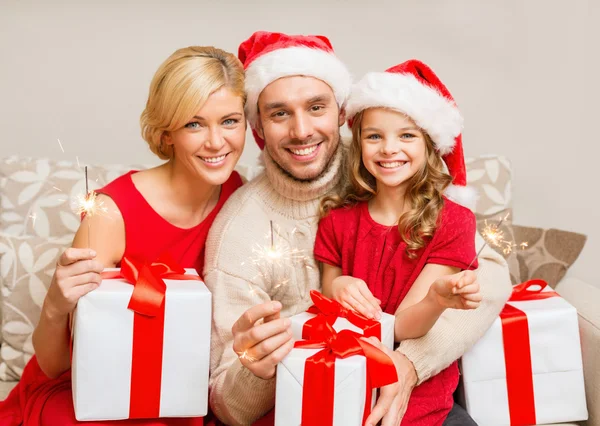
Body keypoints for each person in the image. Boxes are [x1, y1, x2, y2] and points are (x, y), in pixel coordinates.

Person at [204, 31, 512, 426]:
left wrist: (410, 364)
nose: (301, 131)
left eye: (316, 107)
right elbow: (229, 406)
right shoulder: (240, 230)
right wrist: (258, 364)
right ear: (258, 126)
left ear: (340, 111)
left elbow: (491, 273)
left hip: (416, 390)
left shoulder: (385, 166)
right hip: (309, 405)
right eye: (279, 113)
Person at [0, 46, 246, 426]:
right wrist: (53, 304)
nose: (216, 142)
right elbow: (53, 366)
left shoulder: (238, 194)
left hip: (174, 386)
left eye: (229, 121)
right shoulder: (112, 213)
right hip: (87, 389)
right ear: (167, 134)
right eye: (194, 124)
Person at [316, 59, 482, 425]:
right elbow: (329, 294)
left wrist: (438, 300)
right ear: (358, 144)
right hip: (344, 386)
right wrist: (339, 284)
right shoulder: (337, 219)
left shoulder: (453, 222)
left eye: (406, 136)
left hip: (422, 400)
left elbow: (402, 326)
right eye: (374, 136)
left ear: (430, 145)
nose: (389, 148)